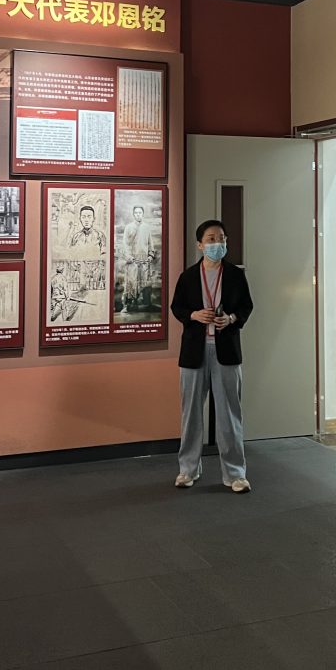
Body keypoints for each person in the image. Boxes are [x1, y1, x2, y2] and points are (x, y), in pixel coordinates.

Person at [170, 220, 254, 493]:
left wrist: (231, 318)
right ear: (200, 245)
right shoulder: (188, 276)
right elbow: (177, 307)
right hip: (194, 351)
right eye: (211, 239)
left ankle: (235, 474)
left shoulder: (235, 275)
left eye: (221, 238)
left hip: (226, 351)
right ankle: (187, 470)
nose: (218, 243)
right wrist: (194, 315)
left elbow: (246, 306)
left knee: (230, 414)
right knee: (191, 413)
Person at [122, 205, 156, 313]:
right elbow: (125, 244)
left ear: (143, 214)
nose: (138, 215)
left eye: (140, 213)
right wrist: (129, 257)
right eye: (136, 213)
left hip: (144, 261)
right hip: (132, 261)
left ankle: (146, 304)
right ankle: (129, 305)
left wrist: (150, 255)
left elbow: (150, 243)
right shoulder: (128, 227)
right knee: (131, 283)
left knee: (145, 283)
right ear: (133, 214)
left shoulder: (147, 228)